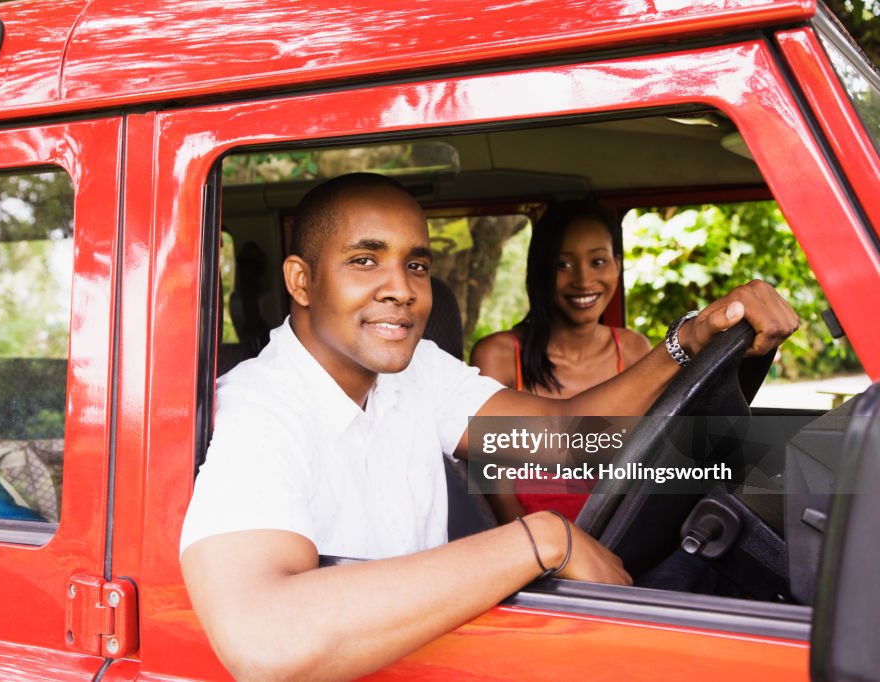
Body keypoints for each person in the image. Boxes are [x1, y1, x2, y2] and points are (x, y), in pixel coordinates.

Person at [179, 173, 797, 681]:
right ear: (302, 281)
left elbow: (566, 437)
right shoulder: (261, 407)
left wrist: (686, 340)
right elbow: (263, 638)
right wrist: (539, 540)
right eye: (365, 261)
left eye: (416, 265)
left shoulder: (413, 370)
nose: (401, 289)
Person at [471, 199, 651, 524]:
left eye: (598, 261)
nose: (583, 280)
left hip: (624, 541)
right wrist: (541, 557)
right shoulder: (499, 356)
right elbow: (492, 483)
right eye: (563, 265)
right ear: (541, 270)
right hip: (536, 553)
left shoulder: (636, 350)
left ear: (617, 265)